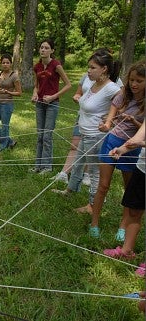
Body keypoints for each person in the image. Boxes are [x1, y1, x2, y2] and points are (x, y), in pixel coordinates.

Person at [51, 50, 121, 232]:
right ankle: (70, 189)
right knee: (79, 162)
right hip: (85, 133)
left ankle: (92, 205)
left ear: (104, 69)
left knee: (95, 171)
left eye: (93, 68)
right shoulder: (94, 85)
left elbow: (126, 105)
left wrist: (111, 118)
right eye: (88, 67)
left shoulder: (112, 88)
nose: (88, 71)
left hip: (96, 136)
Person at [88, 60, 145, 239]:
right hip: (112, 142)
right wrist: (106, 125)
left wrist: (134, 121)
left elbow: (142, 131)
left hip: (132, 148)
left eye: (139, 81)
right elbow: (110, 119)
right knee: (103, 185)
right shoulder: (122, 95)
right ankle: (94, 223)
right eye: (132, 80)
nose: (134, 84)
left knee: (129, 190)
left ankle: (123, 226)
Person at [103, 119, 145, 278]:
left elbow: (140, 141)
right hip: (142, 168)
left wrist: (141, 143)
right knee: (134, 212)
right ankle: (127, 250)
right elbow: (138, 138)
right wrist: (121, 149)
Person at [30, 38, 71, 174]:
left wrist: (53, 97)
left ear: (52, 51)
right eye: (41, 47)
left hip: (52, 104)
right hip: (40, 104)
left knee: (47, 135)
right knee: (40, 135)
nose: (43, 50)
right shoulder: (37, 67)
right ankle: (38, 165)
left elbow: (68, 85)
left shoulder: (56, 65)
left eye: (46, 48)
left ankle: (47, 167)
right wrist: (35, 94)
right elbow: (36, 86)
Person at [0, 53, 22, 152]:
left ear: (11, 64)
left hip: (7, 105)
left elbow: (19, 93)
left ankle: (3, 147)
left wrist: (8, 92)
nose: (5, 64)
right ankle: (10, 141)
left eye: (7, 62)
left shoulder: (14, 76)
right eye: (3, 62)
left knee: (5, 127)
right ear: (1, 64)